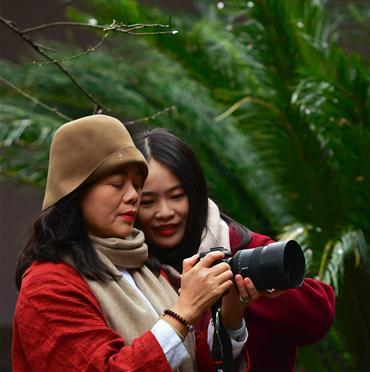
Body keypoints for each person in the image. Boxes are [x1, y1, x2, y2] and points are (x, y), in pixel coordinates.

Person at [13, 114, 248, 371]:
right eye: (117, 184)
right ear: (76, 191)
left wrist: (231, 312)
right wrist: (184, 311)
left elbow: (192, 361)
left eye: (137, 185)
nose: (133, 196)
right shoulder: (47, 286)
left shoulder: (145, 268)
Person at [133, 128, 336, 372]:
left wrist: (244, 286)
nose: (164, 212)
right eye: (148, 202)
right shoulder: (127, 274)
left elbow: (318, 315)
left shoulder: (237, 246)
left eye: (177, 196)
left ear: (195, 194)